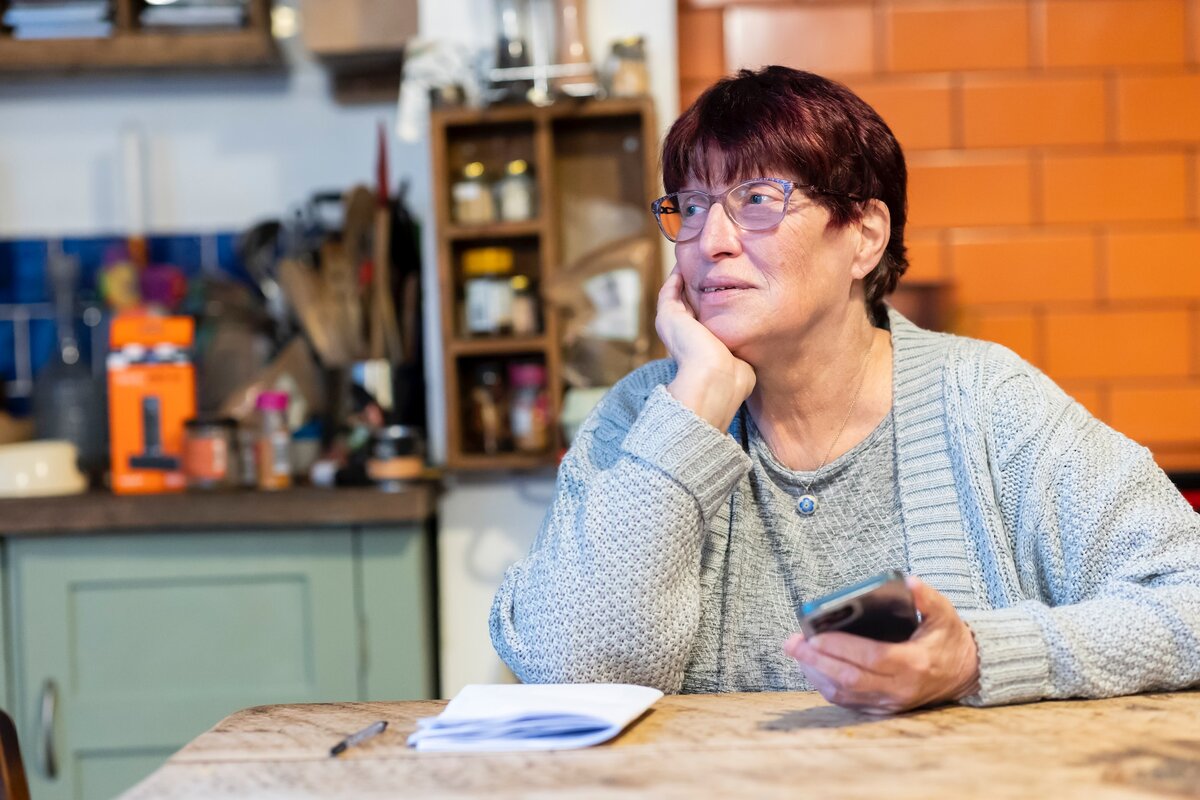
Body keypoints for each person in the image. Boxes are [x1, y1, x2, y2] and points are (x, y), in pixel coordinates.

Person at [489, 66, 1200, 713]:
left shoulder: (987, 403)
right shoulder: (644, 416)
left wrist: (975, 657)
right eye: (693, 206)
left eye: (758, 198)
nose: (711, 241)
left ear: (863, 235)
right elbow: (573, 678)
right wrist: (694, 405)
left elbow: (1189, 599)